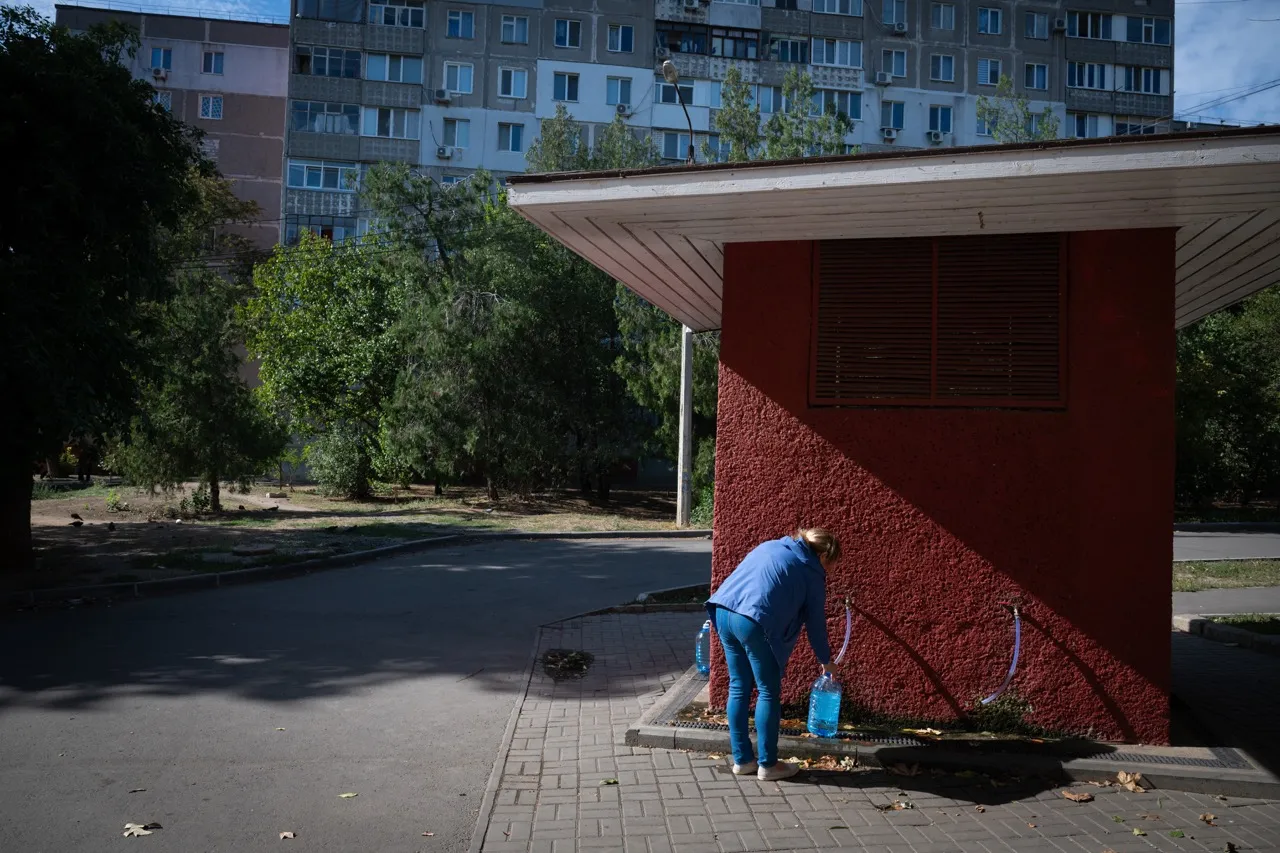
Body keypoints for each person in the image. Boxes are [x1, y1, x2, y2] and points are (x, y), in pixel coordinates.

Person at [704, 528, 840, 781]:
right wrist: (826, 661)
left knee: (738, 687)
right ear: (823, 556)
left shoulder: (772, 546)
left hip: (724, 611)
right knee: (768, 691)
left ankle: (743, 760)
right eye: (832, 564)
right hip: (752, 620)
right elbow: (816, 626)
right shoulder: (812, 574)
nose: (830, 571)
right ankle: (768, 764)